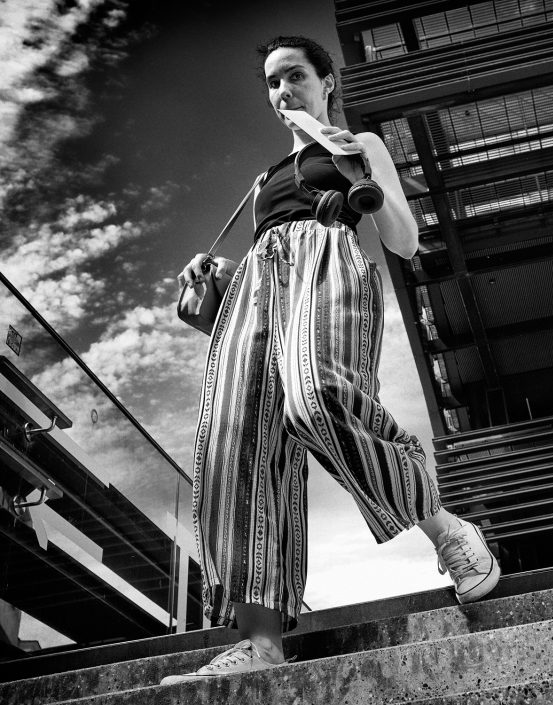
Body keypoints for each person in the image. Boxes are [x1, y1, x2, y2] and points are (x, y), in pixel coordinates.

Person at [162, 35, 499, 686]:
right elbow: (268, 257)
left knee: (317, 397)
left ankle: (449, 529)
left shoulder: (356, 148)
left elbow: (403, 239)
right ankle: (261, 641)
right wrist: (217, 280)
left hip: (327, 266)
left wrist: (352, 165)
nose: (281, 90)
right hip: (260, 294)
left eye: (293, 75)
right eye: (271, 82)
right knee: (238, 446)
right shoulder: (262, 181)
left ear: (326, 82)